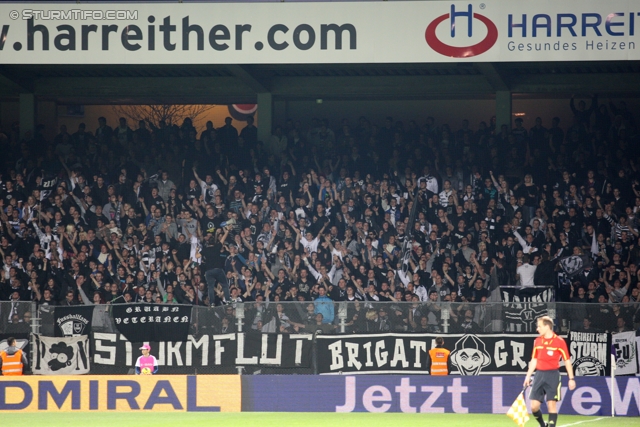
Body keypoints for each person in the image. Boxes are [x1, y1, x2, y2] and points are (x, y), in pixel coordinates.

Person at [524, 316, 576, 427]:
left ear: (547, 326)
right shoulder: (537, 341)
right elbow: (534, 359)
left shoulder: (559, 341)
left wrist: (571, 379)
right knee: (534, 406)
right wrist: (528, 376)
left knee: (551, 404)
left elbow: (567, 361)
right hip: (539, 375)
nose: (537, 329)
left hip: (553, 375)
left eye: (539, 326)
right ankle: (543, 425)